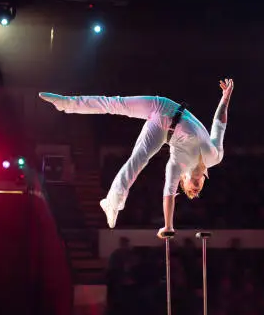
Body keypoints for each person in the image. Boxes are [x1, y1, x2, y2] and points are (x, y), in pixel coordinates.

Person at [39, 78, 233, 238]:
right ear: (204, 179)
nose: (197, 185)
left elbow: (168, 195)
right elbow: (219, 125)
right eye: (199, 186)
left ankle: (112, 202)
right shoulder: (215, 157)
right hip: (162, 105)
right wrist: (225, 99)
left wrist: (168, 226)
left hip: (162, 130)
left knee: (138, 160)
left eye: (192, 187)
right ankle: (65, 103)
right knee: (114, 103)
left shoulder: (176, 165)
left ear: (185, 178)